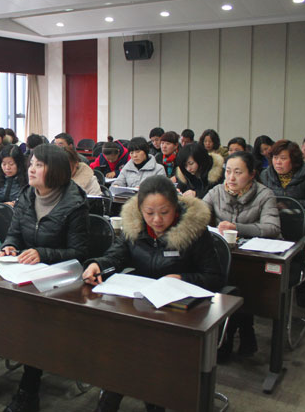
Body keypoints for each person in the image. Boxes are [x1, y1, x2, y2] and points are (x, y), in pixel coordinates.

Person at [0, 144, 89, 412]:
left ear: (56, 171)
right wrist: (9, 246)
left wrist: (42, 253)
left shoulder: (75, 203)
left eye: (39, 165)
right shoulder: (28, 195)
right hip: (24, 270)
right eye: (32, 164)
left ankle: (29, 391)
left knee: (33, 319)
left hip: (58, 277)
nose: (31, 169)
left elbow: (79, 253)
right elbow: (14, 233)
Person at [83, 175, 221, 412]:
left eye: (164, 212)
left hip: (180, 314)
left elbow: (215, 277)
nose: (157, 220)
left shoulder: (194, 231)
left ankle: (144, 401)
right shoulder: (135, 227)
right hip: (142, 307)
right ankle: (117, 399)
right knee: (120, 346)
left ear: (175, 207)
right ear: (140, 210)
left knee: (143, 353)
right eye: (149, 213)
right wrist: (98, 264)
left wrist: (182, 278)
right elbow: (117, 256)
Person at [203, 151, 280, 361]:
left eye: (238, 172)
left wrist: (236, 227)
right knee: (226, 280)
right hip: (224, 256)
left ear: (252, 174)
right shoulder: (217, 191)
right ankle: (241, 332)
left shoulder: (265, 195)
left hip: (255, 256)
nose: (231, 177)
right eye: (228, 171)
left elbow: (272, 227)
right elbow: (198, 215)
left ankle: (232, 334)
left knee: (241, 281)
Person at [260, 139, 305, 209]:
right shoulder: (265, 175)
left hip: (300, 214)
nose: (278, 162)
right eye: (275, 158)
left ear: (293, 160)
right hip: (272, 214)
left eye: (283, 158)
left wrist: (290, 204)